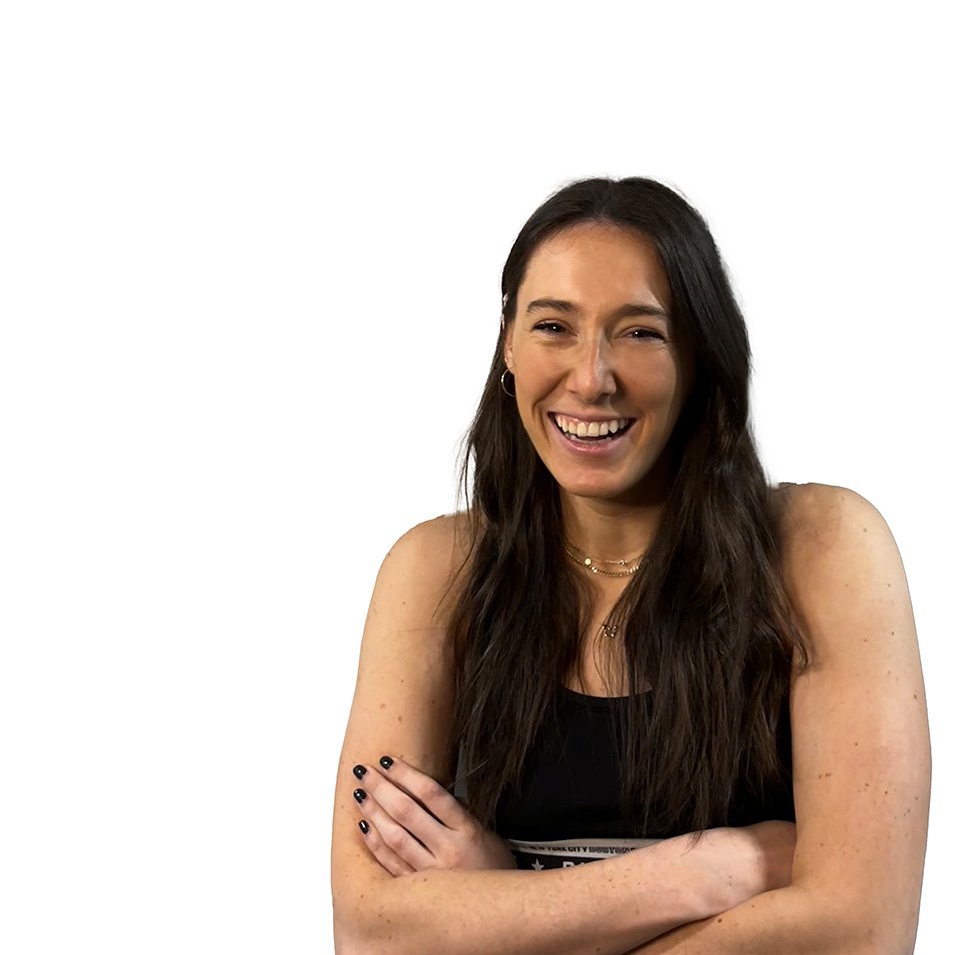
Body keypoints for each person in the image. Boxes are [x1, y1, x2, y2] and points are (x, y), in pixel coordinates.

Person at [330, 177, 930, 954]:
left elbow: (859, 933)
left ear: (701, 353)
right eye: (554, 327)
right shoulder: (435, 570)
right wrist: (696, 873)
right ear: (508, 343)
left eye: (640, 333)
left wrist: (499, 908)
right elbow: (373, 935)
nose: (591, 378)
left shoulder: (824, 548)